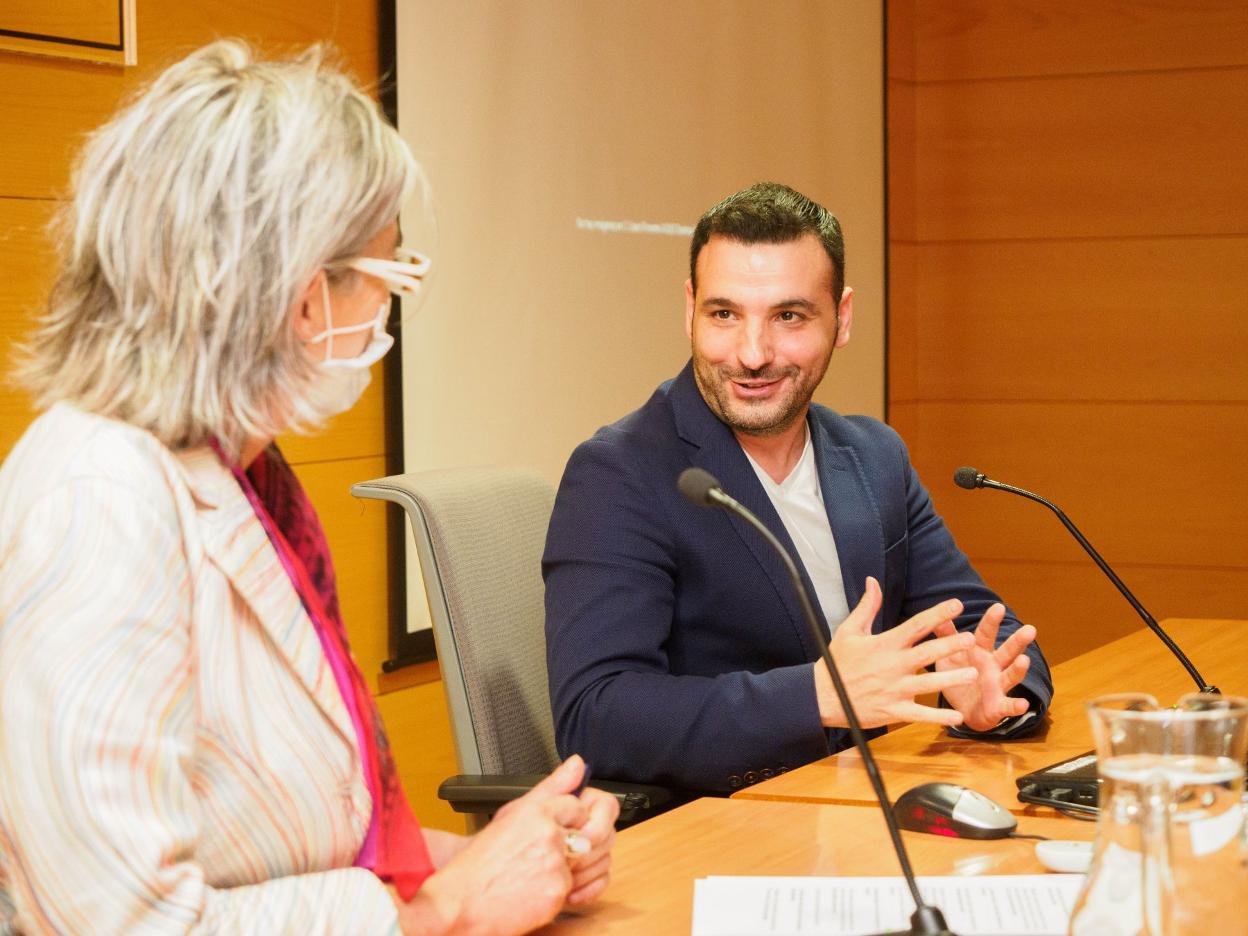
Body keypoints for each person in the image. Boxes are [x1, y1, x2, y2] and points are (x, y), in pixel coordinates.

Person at [0, 41, 616, 935]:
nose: (388, 309)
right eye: (388, 273)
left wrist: (500, 856)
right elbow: (122, 921)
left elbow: (301, 849)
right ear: (299, 296)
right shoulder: (96, 497)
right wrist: (445, 909)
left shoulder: (240, 473)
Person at [543, 182, 1053, 797]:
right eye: (724, 314)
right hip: (720, 829)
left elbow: (973, 622)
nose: (752, 354)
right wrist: (816, 697)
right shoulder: (620, 473)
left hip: (868, 809)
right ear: (690, 310)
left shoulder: (873, 457)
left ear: (841, 319)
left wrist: (993, 689)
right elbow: (597, 715)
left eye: (788, 317)